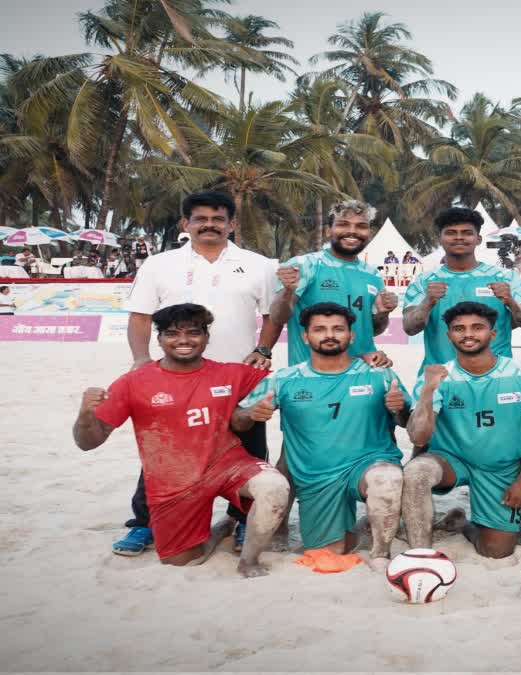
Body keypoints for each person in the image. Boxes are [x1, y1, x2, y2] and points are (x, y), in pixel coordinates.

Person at [118, 191, 280, 556]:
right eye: (200, 218)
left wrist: (263, 350)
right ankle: (144, 523)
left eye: (218, 219)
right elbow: (140, 316)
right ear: (185, 224)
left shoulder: (257, 265)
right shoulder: (159, 264)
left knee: (249, 450)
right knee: (164, 452)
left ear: (232, 224)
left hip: (239, 378)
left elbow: (273, 316)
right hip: (175, 378)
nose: (210, 224)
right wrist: (141, 360)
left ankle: (242, 522)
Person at [72, 304, 289, 577]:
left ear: (207, 337)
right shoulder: (133, 382)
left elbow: (290, 383)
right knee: (182, 562)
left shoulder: (233, 373)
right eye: (173, 334)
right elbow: (88, 442)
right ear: (159, 339)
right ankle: (220, 529)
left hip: (228, 466)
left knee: (274, 487)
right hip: (173, 483)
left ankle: (249, 561)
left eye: (193, 333)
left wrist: (250, 410)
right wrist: (85, 415)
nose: (184, 340)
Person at [234, 303, 410, 572]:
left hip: (369, 464)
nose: (329, 335)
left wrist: (399, 410)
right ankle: (362, 526)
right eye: (320, 329)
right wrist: (251, 414)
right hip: (317, 478)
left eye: (338, 329)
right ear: (306, 337)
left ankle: (381, 552)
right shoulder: (284, 379)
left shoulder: (379, 374)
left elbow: (409, 423)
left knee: (386, 478)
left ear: (351, 336)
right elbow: (237, 419)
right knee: (328, 553)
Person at [402, 301, 521, 558]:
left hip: (500, 466)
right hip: (452, 460)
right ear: (449, 336)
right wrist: (428, 389)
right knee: (416, 471)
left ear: (492, 334)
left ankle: (460, 523)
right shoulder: (440, 376)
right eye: (459, 328)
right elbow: (419, 436)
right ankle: (419, 555)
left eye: (477, 327)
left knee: (497, 551)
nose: (468, 334)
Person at [403, 207, 521, 370]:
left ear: (478, 239)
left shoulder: (507, 278)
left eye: (467, 232)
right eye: (451, 232)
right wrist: (428, 302)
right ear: (440, 238)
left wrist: (511, 302)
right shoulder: (423, 281)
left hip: (498, 376)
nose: (459, 237)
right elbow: (409, 328)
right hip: (441, 376)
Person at [270, 200, 396, 368]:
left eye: (361, 226)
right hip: (310, 376)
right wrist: (287, 291)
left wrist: (383, 313)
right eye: (343, 224)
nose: (352, 231)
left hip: (362, 373)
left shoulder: (373, 275)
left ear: (369, 233)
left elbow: (373, 330)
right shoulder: (305, 265)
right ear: (328, 230)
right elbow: (278, 318)